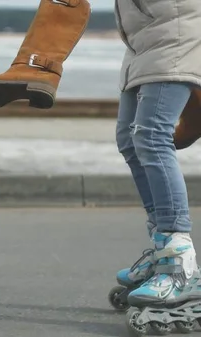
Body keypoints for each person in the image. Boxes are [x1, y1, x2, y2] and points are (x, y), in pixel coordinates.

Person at [111, 0, 201, 333]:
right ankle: (163, 244)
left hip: (175, 30)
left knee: (151, 136)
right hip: (142, 38)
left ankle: (179, 258)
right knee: (130, 140)